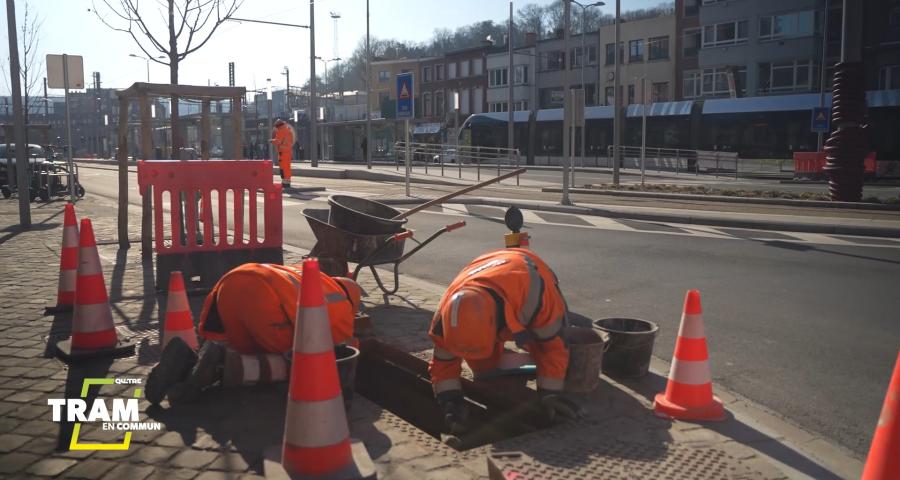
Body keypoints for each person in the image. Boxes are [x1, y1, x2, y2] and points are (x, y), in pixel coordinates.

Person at [146, 262, 364, 405]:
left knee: (235, 345)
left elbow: (215, 327)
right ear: (352, 303)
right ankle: (220, 368)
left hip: (233, 280)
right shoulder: (341, 308)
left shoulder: (312, 275)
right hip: (265, 301)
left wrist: (210, 339)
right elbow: (338, 358)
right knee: (305, 367)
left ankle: (189, 358)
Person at [428, 248, 583, 434]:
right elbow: (443, 364)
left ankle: (535, 364)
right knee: (484, 371)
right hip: (486, 272)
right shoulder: (445, 321)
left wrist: (549, 393)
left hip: (525, 270)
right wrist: (450, 401)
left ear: (495, 326)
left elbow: (553, 348)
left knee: (543, 344)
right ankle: (509, 362)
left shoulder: (536, 297)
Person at [270, 119, 295, 188]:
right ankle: (287, 182)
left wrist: (272, 141)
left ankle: (285, 183)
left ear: (278, 126)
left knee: (283, 168)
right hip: (288, 152)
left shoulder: (281, 131)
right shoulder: (288, 130)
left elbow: (278, 141)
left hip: (283, 152)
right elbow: (291, 141)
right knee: (287, 167)